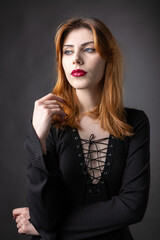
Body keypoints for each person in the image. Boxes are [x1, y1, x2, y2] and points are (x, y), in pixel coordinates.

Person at [12, 17, 150, 240]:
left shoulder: (135, 122)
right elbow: (44, 216)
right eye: (68, 52)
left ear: (108, 58)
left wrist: (49, 229)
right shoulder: (48, 124)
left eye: (89, 49)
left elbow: (132, 207)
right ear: (61, 61)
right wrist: (38, 139)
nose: (76, 59)